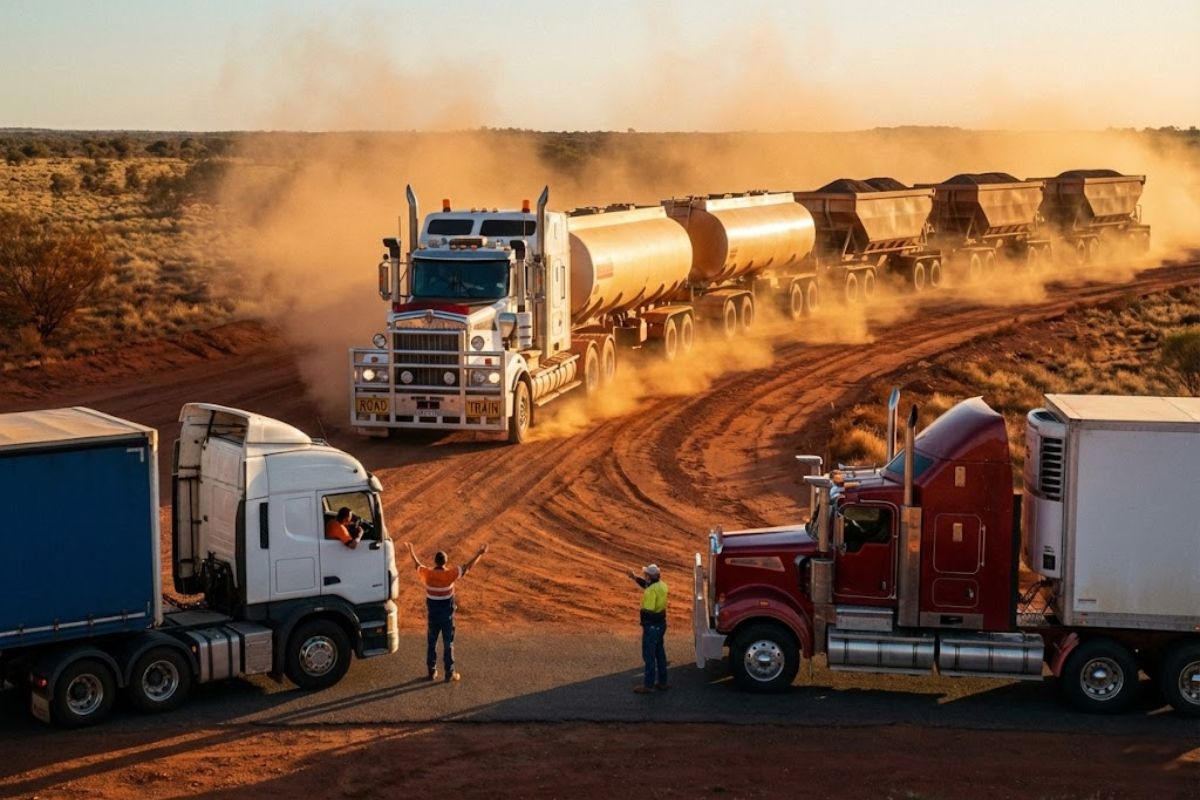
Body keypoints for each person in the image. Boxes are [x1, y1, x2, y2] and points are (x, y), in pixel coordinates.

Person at [404, 541, 489, 682]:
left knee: (431, 643)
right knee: (448, 644)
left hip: (433, 616)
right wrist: (479, 554)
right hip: (447, 617)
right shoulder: (450, 574)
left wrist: (411, 551)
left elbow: (417, 565)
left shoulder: (428, 574)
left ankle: (431, 671)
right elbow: (468, 566)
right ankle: (449, 672)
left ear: (435, 562)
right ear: (445, 562)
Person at [627, 563, 668, 693]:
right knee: (660, 654)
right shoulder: (662, 585)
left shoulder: (650, 592)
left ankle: (648, 686)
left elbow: (648, 611)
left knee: (649, 656)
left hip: (652, 627)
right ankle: (662, 683)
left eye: (646, 575)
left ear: (649, 577)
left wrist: (644, 621)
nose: (645, 576)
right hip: (661, 624)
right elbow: (646, 584)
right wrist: (634, 577)